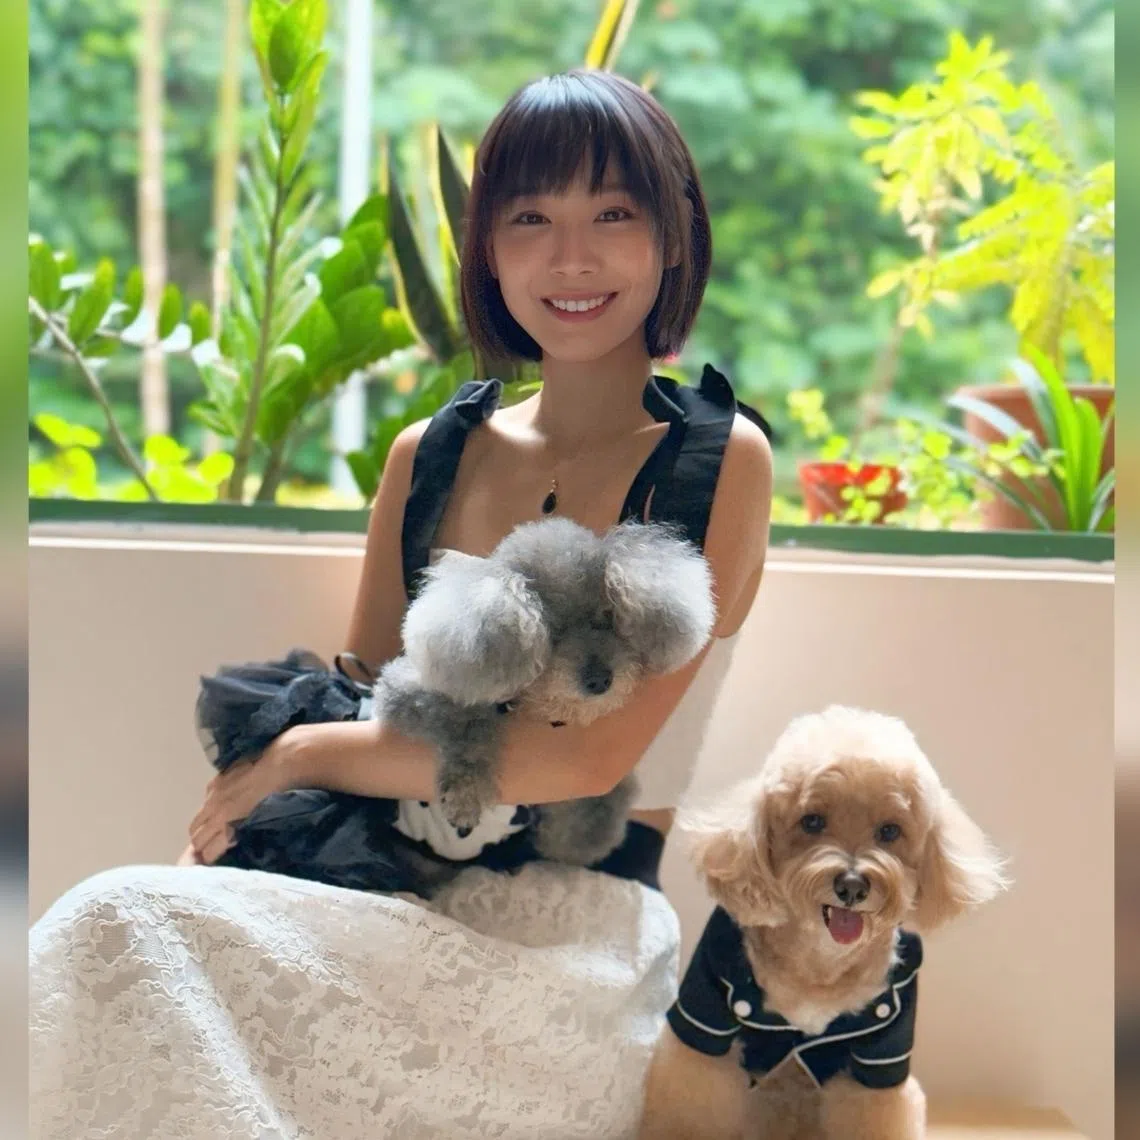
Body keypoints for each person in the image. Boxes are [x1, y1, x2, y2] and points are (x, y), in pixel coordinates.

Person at [30, 69, 773, 1139]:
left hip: (575, 951)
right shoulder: (429, 456)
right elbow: (369, 701)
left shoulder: (720, 459)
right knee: (120, 930)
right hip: (391, 900)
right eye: (531, 219)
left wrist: (292, 758)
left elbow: (584, 760)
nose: (571, 258)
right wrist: (244, 841)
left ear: (672, 236)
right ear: (487, 249)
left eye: (613, 214)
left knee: (117, 921)